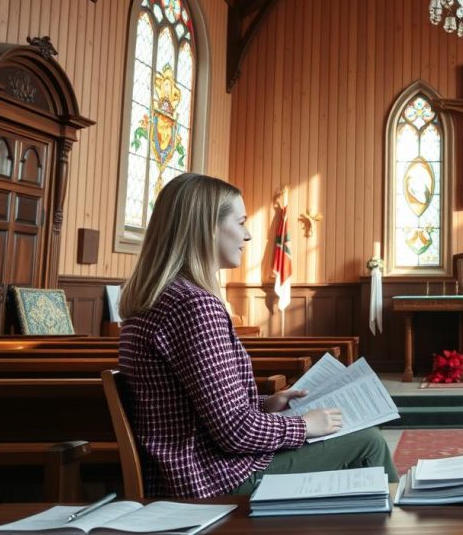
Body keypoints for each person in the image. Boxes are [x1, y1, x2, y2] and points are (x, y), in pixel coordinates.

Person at [118, 173, 397, 498]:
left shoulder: (158, 298)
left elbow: (202, 410)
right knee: (369, 442)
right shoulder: (193, 305)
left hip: (187, 469)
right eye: (240, 222)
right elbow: (234, 432)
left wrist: (266, 404)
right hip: (213, 479)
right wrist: (305, 425)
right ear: (207, 227)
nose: (248, 235)